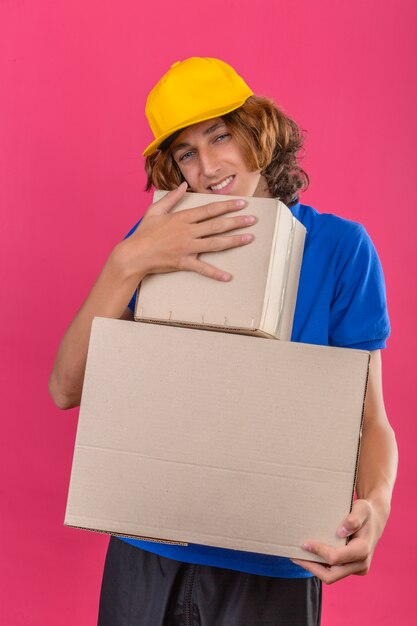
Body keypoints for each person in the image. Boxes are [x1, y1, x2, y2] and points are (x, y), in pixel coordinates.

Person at [49, 57, 398, 626]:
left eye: (221, 135)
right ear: (174, 168)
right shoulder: (153, 241)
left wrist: (377, 506)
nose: (209, 166)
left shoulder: (340, 248)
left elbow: (369, 420)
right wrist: (127, 261)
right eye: (187, 152)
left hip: (278, 562)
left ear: (258, 133)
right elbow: (66, 388)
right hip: (149, 550)